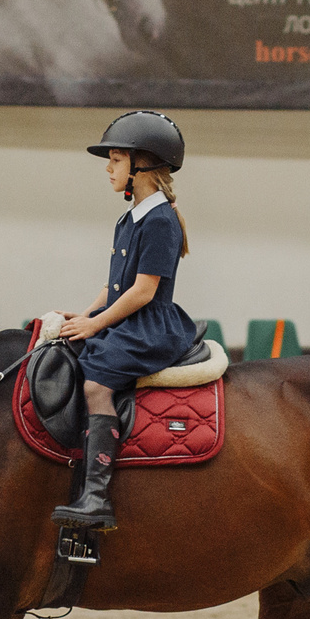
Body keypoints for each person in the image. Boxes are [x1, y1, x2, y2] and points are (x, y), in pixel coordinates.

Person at [53, 109, 199, 531]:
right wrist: (85, 315)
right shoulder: (129, 217)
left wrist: (97, 325)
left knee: (97, 385)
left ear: (143, 164)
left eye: (115, 159)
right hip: (124, 317)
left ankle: (97, 496)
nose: (108, 168)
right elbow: (114, 283)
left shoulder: (160, 220)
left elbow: (143, 291)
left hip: (149, 325)